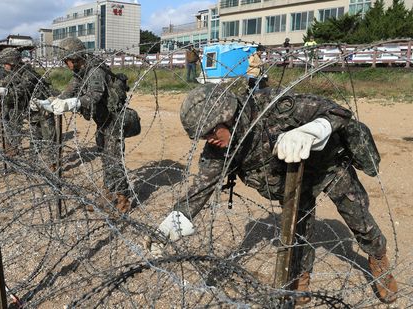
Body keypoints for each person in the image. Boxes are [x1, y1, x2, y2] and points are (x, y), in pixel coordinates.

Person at [147, 83, 398, 305]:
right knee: (298, 230)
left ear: (228, 116)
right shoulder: (221, 149)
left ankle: (378, 259)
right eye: (202, 136)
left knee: (358, 218)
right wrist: (171, 226)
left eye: (211, 131)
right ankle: (301, 277)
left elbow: (338, 112)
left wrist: (313, 130)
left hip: (327, 166)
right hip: (293, 184)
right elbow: (200, 189)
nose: (209, 139)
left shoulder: (274, 107)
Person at [35, 37, 136, 214]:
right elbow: (70, 91)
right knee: (106, 159)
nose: (66, 65)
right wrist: (51, 102)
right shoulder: (81, 71)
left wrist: (71, 104)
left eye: (66, 61)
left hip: (113, 121)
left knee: (113, 160)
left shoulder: (95, 70)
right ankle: (109, 193)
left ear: (74, 58)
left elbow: (94, 96)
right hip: (103, 122)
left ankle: (122, 200)